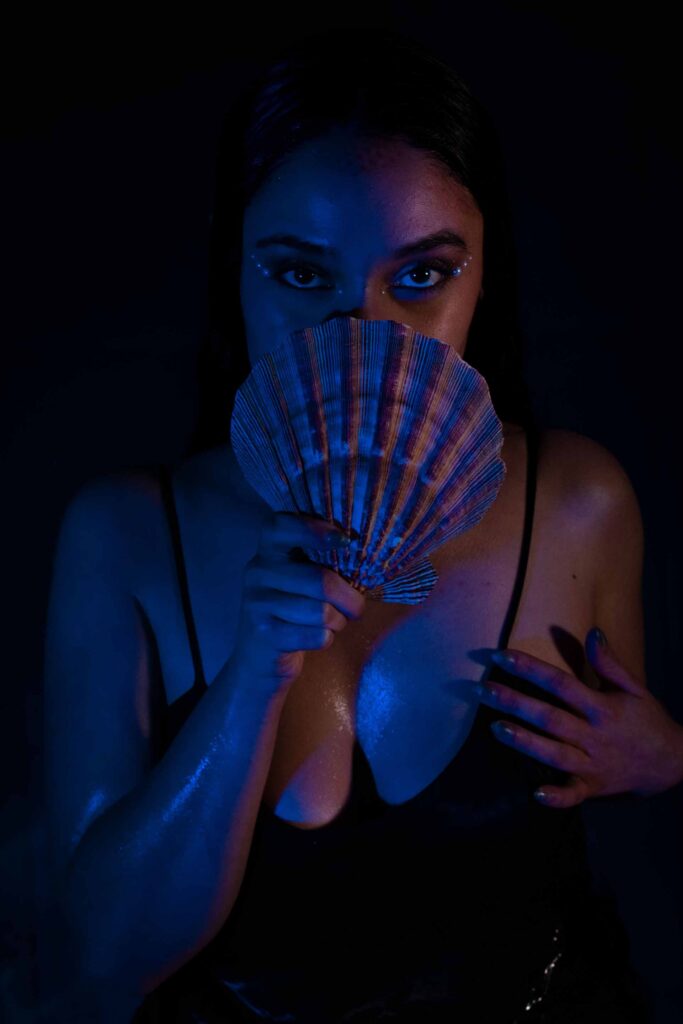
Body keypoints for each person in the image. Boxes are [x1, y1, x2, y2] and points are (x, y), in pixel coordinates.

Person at [42, 26, 683, 1023]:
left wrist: (669, 757)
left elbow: (607, 786)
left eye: (421, 275)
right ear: (237, 273)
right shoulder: (125, 535)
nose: (366, 334)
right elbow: (99, 963)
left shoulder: (575, 500)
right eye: (301, 276)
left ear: (481, 276)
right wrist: (255, 667)